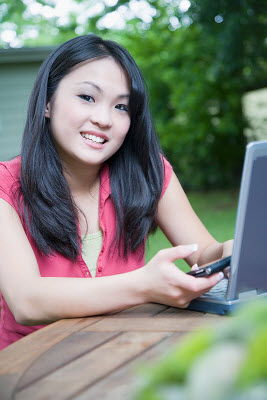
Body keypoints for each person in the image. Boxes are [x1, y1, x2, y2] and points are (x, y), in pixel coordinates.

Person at [0, 34, 232, 350]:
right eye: (87, 97)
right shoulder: (6, 185)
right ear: (47, 102)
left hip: (121, 356)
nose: (104, 119)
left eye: (121, 106)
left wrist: (230, 251)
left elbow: (203, 252)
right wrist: (144, 286)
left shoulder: (150, 172)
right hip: (28, 369)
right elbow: (27, 301)